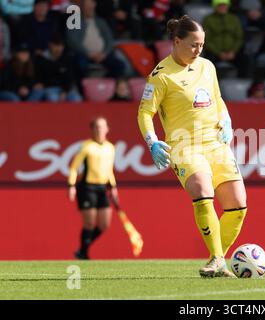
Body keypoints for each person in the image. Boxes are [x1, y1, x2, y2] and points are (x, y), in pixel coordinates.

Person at [137, 15, 247, 278]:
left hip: (215, 143)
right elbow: (144, 113)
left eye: (202, 45)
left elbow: (217, 98)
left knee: (238, 205)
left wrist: (227, 119)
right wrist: (152, 142)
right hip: (184, 146)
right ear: (177, 41)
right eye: (194, 45)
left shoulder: (207, 66)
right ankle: (219, 259)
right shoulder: (160, 76)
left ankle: (216, 257)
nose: (199, 50)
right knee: (201, 188)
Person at [68, 117, 119, 260]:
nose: (99, 130)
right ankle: (83, 253)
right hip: (87, 187)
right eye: (96, 127)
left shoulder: (110, 148)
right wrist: (71, 186)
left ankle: (82, 249)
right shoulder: (86, 146)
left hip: (102, 188)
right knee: (89, 223)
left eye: (102, 127)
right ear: (92, 129)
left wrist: (113, 187)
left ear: (107, 129)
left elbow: (109, 170)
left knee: (104, 224)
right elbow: (74, 167)